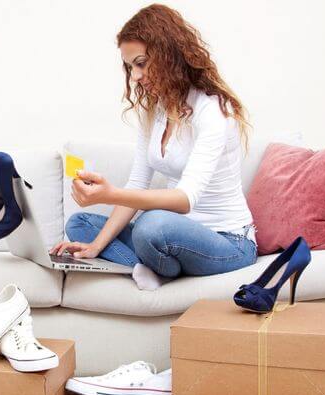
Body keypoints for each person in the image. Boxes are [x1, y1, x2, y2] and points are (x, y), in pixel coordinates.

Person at [49, 4, 258, 290]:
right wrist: (95, 247)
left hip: (228, 243)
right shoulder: (156, 111)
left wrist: (110, 194)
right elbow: (138, 182)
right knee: (80, 224)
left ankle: (158, 266)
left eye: (141, 63)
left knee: (152, 225)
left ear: (168, 55)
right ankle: (149, 267)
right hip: (170, 237)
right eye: (130, 67)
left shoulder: (211, 110)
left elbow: (185, 199)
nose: (135, 76)